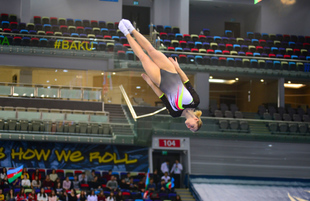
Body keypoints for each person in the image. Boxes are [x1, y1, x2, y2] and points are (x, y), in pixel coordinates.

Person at [118, 19, 202, 132]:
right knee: (151, 50)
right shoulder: (195, 101)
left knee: (143, 56)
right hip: (171, 71)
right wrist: (177, 67)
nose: (188, 126)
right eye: (192, 126)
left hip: (160, 80)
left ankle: (126, 33)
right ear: (196, 119)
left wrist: (151, 84)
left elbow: (162, 96)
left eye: (189, 128)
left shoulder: (175, 113)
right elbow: (186, 81)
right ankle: (132, 29)